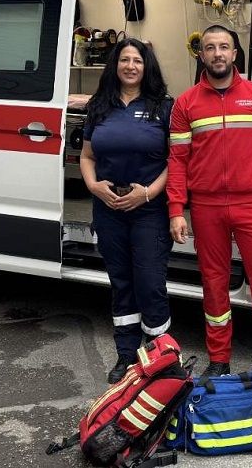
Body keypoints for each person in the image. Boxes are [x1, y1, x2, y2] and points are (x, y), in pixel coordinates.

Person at [167, 25, 252, 377]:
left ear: (235, 54)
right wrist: (177, 210)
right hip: (206, 208)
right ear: (201, 55)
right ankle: (219, 360)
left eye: (224, 47)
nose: (218, 53)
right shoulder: (185, 103)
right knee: (214, 284)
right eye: (210, 47)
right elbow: (177, 161)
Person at [81, 38, 173, 384]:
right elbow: (88, 157)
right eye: (124, 60)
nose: (131, 66)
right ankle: (126, 356)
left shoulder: (163, 107)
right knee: (121, 283)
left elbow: (175, 161)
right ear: (115, 66)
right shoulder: (100, 106)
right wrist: (93, 186)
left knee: (150, 283)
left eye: (137, 60)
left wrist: (147, 193)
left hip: (149, 209)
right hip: (108, 208)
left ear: (146, 66)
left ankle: (160, 354)